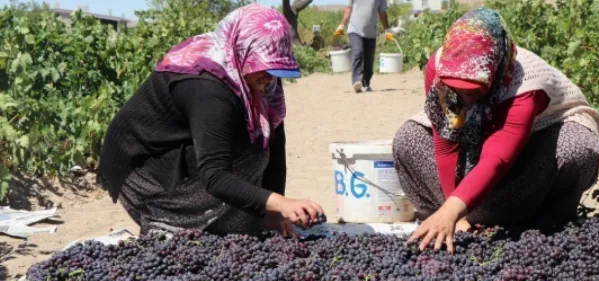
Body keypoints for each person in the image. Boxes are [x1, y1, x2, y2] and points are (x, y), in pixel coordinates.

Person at [96, 4, 324, 237]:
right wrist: (278, 202)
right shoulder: (207, 86)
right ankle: (167, 219)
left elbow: (274, 145)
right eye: (263, 67)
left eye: (276, 69)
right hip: (148, 165)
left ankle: (215, 220)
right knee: (243, 166)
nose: (269, 77)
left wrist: (275, 210)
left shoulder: (259, 74)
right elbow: (215, 175)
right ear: (242, 51)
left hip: (190, 148)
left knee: (255, 162)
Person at [393, 8, 599, 253]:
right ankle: (448, 220)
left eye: (474, 87)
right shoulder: (440, 70)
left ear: (496, 71)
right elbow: (446, 143)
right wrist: (455, 214)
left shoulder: (525, 85)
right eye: (457, 88)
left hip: (531, 157)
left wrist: (452, 209)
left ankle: (547, 224)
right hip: (477, 156)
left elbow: (498, 158)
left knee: (576, 146)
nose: (464, 94)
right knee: (408, 138)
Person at [334, 0, 398, 92]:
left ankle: (365, 83)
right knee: (358, 52)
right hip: (355, 30)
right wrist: (342, 25)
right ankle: (356, 81)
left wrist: (387, 30)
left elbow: (382, 13)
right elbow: (349, 9)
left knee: (369, 60)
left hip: (371, 33)